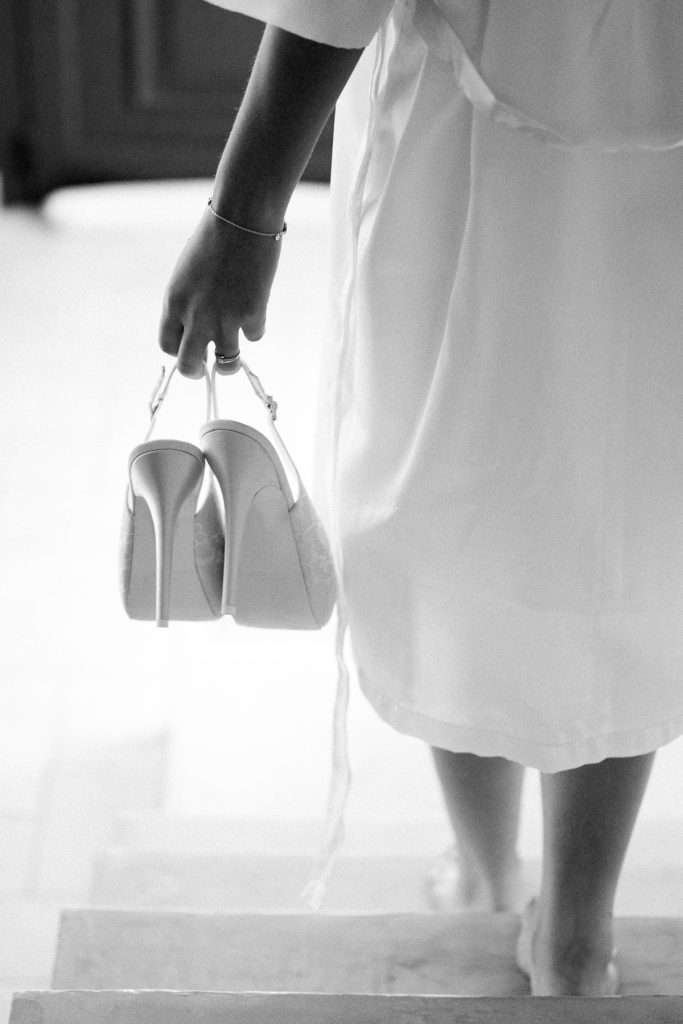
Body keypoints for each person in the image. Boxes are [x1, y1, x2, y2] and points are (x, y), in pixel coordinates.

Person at [158, 0, 683, 997]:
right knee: (631, 506)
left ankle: (487, 875)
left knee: (444, 491)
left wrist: (241, 212)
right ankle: (574, 931)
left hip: (471, 124)